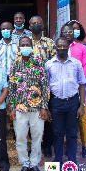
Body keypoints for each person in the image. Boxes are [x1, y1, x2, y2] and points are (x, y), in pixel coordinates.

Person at [8, 37, 49, 171]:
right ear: (19, 48)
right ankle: (24, 163)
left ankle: (34, 163)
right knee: (20, 137)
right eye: (22, 45)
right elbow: (12, 88)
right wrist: (12, 108)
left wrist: (44, 107)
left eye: (27, 45)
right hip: (19, 108)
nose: (25, 47)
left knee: (37, 137)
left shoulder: (39, 62)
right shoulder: (15, 64)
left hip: (37, 108)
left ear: (32, 46)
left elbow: (44, 85)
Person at [45, 37, 86, 165]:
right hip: (56, 103)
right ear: (55, 48)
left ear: (68, 47)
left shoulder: (76, 63)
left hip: (72, 102)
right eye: (59, 46)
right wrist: (47, 107)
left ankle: (72, 162)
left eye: (64, 46)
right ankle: (57, 161)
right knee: (57, 134)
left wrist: (82, 105)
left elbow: (82, 85)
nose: (62, 48)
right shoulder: (49, 64)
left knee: (72, 134)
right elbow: (45, 87)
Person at [61, 22, 86, 158]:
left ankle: (85, 146)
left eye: (71, 31)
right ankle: (68, 145)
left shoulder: (81, 47)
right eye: (66, 31)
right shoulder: (59, 47)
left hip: (79, 86)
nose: (68, 34)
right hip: (63, 88)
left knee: (82, 116)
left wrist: (78, 81)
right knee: (66, 117)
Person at [28, 16, 56, 158]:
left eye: (39, 23)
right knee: (32, 116)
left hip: (46, 85)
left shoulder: (50, 43)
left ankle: (47, 145)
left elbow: (56, 64)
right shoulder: (25, 43)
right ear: (29, 26)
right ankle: (33, 145)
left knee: (48, 116)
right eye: (34, 23)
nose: (36, 25)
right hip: (30, 87)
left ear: (43, 27)